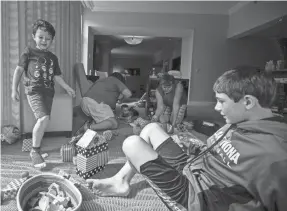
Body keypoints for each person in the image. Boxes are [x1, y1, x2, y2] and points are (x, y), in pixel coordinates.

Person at [86, 66, 287, 211]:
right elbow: (219, 152)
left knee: (132, 143)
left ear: (248, 102)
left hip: (200, 197)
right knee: (151, 128)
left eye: (221, 102)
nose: (216, 108)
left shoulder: (275, 155)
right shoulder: (238, 122)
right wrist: (192, 146)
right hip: (193, 168)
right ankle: (120, 181)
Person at [11, 19, 75, 168]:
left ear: (52, 40)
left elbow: (57, 76)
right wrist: (14, 89)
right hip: (34, 90)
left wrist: (67, 87)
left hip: (48, 92)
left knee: (44, 121)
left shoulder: (53, 58)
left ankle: (37, 148)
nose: (44, 41)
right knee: (43, 118)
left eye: (48, 38)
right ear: (34, 36)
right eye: (40, 37)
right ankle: (34, 151)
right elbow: (19, 70)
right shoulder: (29, 51)